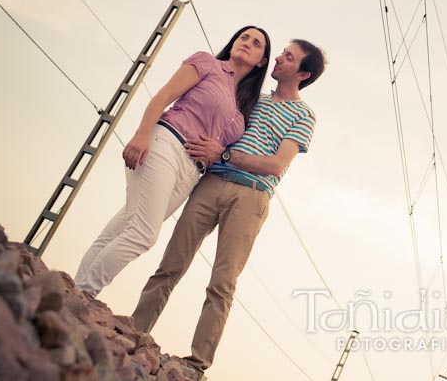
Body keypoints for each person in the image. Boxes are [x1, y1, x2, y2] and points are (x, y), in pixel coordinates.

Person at [131, 39, 327, 375]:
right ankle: (135, 331)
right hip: (210, 184)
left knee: (222, 283)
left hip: (252, 197)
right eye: (282, 52)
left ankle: (196, 363)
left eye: (289, 57)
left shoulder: (304, 115)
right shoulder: (252, 101)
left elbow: (277, 165)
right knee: (171, 264)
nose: (278, 58)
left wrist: (223, 155)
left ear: (303, 73)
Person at [74, 26, 272, 297]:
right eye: (243, 37)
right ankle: (86, 292)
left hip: (191, 172)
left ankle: (73, 291)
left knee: (125, 223)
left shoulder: (244, 107)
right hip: (165, 144)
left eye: (256, 43)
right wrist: (142, 134)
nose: (247, 43)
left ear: (262, 61)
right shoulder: (207, 63)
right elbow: (165, 95)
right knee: (144, 234)